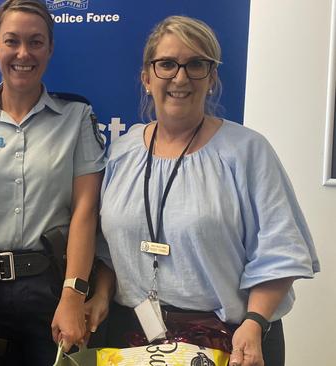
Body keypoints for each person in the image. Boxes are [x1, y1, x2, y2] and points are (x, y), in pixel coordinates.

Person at [86, 15, 320, 366]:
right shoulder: (124, 151)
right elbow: (108, 249)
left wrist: (255, 322)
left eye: (196, 64)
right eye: (166, 64)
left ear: (212, 78)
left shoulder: (246, 152)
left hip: (228, 341)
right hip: (132, 340)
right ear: (146, 78)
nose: (180, 77)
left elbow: (280, 251)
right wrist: (101, 295)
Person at [0, 0, 106, 364]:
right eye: (12, 41)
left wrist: (74, 296)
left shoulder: (76, 116)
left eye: (36, 42)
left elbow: (85, 212)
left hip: (53, 291)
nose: (23, 53)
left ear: (50, 48)